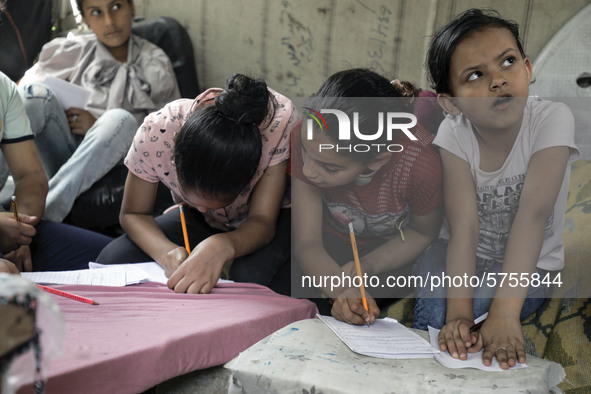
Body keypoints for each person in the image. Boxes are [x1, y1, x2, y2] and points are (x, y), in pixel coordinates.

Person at [413, 9, 579, 369]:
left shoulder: (552, 119)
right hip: (458, 252)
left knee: (487, 301)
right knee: (438, 312)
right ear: (451, 103)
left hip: (529, 265)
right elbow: (464, 227)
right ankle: (419, 373)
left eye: (508, 62)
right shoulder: (454, 134)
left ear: (529, 69)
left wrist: (503, 312)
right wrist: (457, 315)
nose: (498, 80)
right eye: (475, 75)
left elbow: (533, 216)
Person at [96, 74, 297, 295]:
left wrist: (222, 245)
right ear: (176, 155)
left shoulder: (276, 125)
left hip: (272, 219)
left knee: (251, 278)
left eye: (218, 201)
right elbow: (133, 214)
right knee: (114, 258)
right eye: (192, 197)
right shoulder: (158, 132)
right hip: (195, 221)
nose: (203, 209)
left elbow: (262, 221)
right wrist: (166, 253)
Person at [291, 68, 443, 325]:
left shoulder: (420, 164)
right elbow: (307, 242)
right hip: (328, 241)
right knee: (305, 303)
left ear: (376, 161)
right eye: (306, 153)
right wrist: (341, 289)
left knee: (360, 310)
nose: (308, 171)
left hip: (390, 250)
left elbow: (423, 233)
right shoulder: (309, 133)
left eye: (331, 168)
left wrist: (367, 267)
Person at [18, 0, 180, 222]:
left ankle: (40, 217)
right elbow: (22, 94)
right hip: (64, 151)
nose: (109, 21)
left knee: (120, 119)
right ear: (84, 19)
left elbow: (173, 135)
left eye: (116, 7)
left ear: (131, 8)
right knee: (34, 95)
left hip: (119, 161)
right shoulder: (73, 50)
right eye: (96, 12)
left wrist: (98, 124)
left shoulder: (156, 61)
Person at [0, 71, 113, 274]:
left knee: (115, 258)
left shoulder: (4, 88)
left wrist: (20, 236)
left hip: (7, 225)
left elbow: (30, 176)